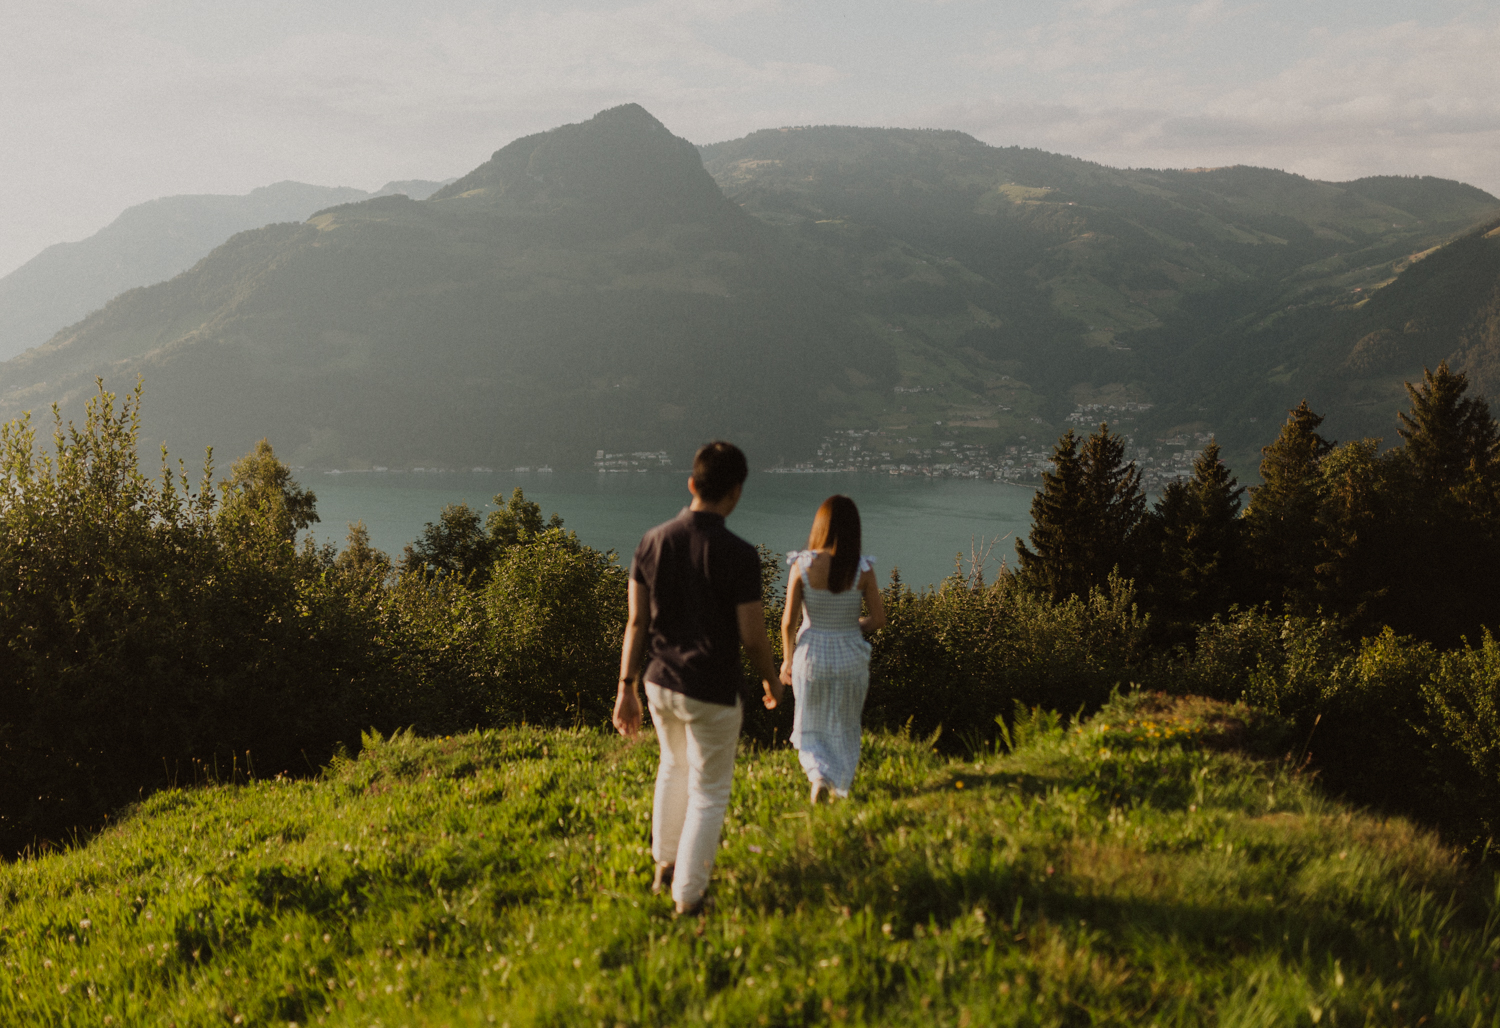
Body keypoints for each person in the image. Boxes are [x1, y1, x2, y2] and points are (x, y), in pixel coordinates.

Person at [613, 441, 783, 916]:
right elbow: (752, 637)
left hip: (658, 683)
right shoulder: (740, 555)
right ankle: (688, 897)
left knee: (673, 766)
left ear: (692, 484)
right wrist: (771, 681)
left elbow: (636, 624)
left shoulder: (651, 541)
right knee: (710, 791)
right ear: (736, 493)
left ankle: (664, 868)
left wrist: (625, 689)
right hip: (711, 689)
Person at [780, 494, 885, 803]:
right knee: (845, 725)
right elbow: (878, 620)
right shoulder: (862, 569)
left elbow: (788, 622)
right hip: (850, 658)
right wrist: (854, 626)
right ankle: (839, 783)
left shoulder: (802, 564)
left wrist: (787, 661)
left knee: (811, 724)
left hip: (811, 657)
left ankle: (818, 776)